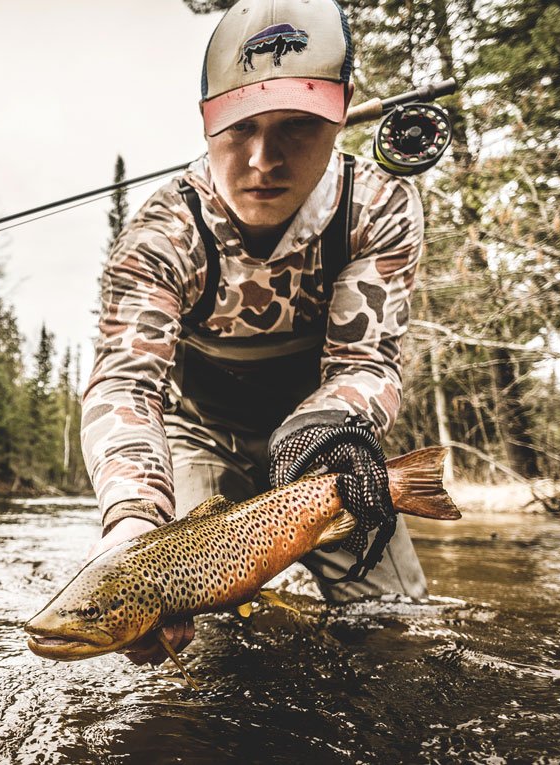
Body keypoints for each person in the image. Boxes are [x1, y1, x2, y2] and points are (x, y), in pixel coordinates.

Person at [81, 0, 427, 666]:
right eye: (239, 127)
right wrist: (131, 521)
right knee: (194, 647)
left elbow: (369, 362)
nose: (262, 159)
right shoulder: (160, 236)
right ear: (207, 118)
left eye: (297, 126)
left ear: (342, 111)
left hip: (325, 448)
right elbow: (125, 384)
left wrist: (322, 430)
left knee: (395, 632)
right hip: (199, 434)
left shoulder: (378, 207)